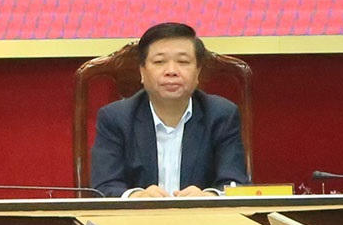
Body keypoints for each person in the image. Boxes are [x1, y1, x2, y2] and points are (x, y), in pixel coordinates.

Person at [92, 23, 249, 198]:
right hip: (139, 215)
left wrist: (210, 197)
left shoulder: (221, 115)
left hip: (201, 214)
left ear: (198, 72)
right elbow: (105, 186)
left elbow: (235, 182)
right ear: (142, 72)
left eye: (183, 62)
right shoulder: (115, 118)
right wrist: (136, 197)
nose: (171, 71)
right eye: (159, 62)